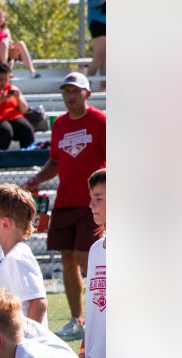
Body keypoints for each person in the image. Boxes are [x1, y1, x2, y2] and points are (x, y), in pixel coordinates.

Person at [24, 73, 105, 341]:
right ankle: (77, 319)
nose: (70, 95)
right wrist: (38, 178)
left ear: (87, 93)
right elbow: (56, 162)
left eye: (75, 90)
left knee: (86, 256)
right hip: (65, 200)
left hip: (91, 202)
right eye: (66, 91)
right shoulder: (59, 125)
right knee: (67, 257)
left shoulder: (100, 121)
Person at [0, 184, 47, 324]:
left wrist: (26, 342)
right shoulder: (8, 256)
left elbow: (38, 303)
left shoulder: (17, 257)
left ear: (5, 224)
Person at [83, 170, 106, 358]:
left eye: (98, 198)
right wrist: (84, 350)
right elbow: (92, 308)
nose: (91, 205)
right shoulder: (96, 249)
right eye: (91, 198)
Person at [0, 9, 39, 78]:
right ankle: (6, 70)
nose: (1, 19)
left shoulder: (6, 30)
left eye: (2, 17)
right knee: (4, 42)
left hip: (8, 53)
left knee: (21, 43)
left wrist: (10, 44)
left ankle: (32, 71)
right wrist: (1, 45)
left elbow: (10, 42)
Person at [85, 0, 105, 81]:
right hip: (97, 21)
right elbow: (92, 3)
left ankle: (104, 88)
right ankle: (86, 86)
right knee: (99, 53)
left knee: (106, 55)